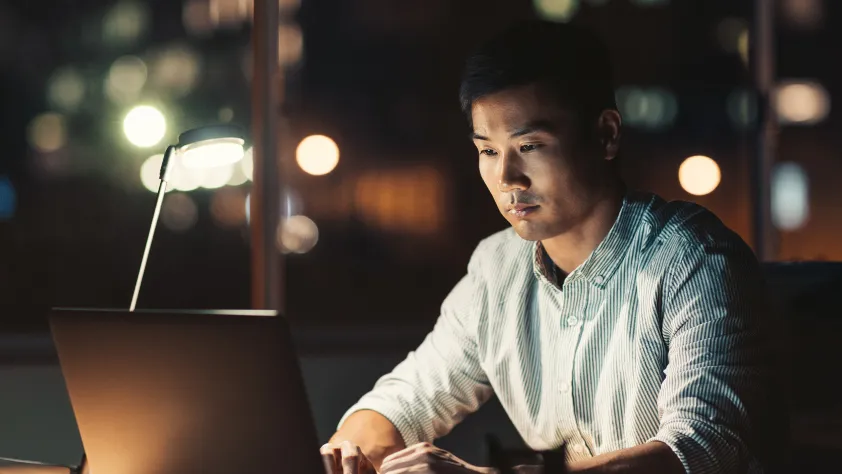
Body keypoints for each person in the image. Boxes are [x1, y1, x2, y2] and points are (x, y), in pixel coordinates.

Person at [321, 20, 778, 474]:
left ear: (606, 135)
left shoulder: (693, 259)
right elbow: (408, 398)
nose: (507, 179)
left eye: (530, 145)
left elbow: (699, 449)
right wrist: (351, 453)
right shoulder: (497, 268)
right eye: (488, 151)